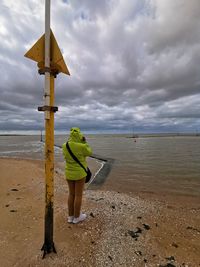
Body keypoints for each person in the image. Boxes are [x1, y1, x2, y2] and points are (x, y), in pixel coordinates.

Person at [62, 127, 92, 224]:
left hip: (69, 172)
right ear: (79, 135)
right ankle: (77, 217)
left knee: (71, 194)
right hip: (80, 173)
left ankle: (70, 217)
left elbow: (65, 156)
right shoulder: (81, 146)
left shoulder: (64, 145)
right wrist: (84, 142)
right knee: (78, 195)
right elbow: (89, 152)